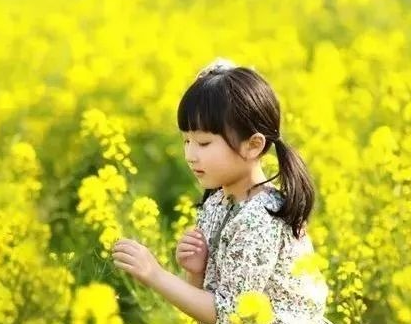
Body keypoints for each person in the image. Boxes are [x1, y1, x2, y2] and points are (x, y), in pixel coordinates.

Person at [112, 58, 329, 323]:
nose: (191, 155)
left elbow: (229, 314)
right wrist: (196, 272)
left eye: (204, 143)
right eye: (187, 141)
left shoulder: (260, 218)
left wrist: (155, 274)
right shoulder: (218, 203)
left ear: (253, 145)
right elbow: (205, 306)